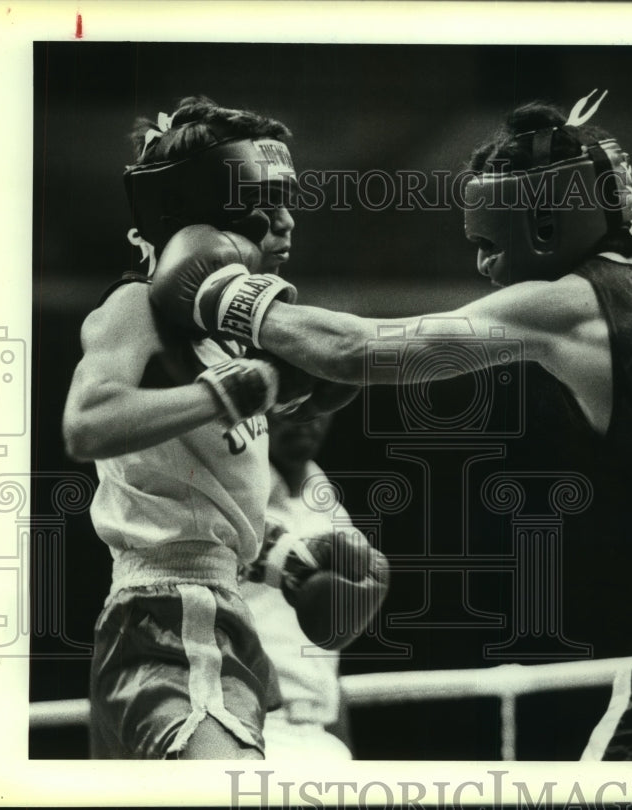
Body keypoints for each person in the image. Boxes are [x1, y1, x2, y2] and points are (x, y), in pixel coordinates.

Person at [146, 90, 632, 760]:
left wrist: (221, 293)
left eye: (489, 241)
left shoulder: (566, 302)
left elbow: (360, 349)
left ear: (543, 224)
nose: (486, 263)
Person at [62, 96, 383, 759]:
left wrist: (286, 557)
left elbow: (191, 509)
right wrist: (227, 394)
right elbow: (87, 424)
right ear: (202, 219)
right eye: (266, 206)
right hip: (170, 625)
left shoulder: (220, 344)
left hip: (208, 619)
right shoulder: (135, 305)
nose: (287, 222)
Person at [240, 410, 364, 761]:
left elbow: (326, 654)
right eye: (290, 400)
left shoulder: (331, 511)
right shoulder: (230, 502)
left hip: (318, 733)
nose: (306, 416)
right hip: (246, 727)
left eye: (319, 400)